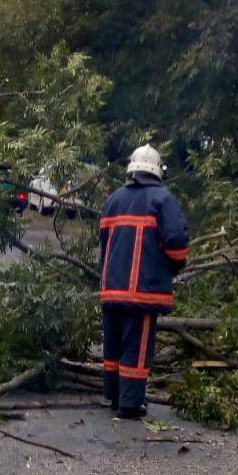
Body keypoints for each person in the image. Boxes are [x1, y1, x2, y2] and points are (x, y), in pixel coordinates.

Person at [99, 145, 190, 419]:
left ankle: (112, 396)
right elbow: (176, 241)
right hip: (143, 290)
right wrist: (174, 265)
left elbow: (103, 243)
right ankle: (130, 403)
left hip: (111, 288)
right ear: (158, 170)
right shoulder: (162, 200)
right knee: (137, 349)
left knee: (113, 345)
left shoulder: (113, 199)